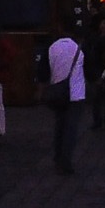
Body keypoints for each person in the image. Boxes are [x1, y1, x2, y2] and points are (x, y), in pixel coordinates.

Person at [45, 22, 87, 175]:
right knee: (71, 128)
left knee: (60, 126)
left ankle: (57, 157)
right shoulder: (79, 48)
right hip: (76, 93)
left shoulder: (52, 48)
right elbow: (89, 70)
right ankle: (66, 160)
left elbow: (43, 71)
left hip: (58, 91)